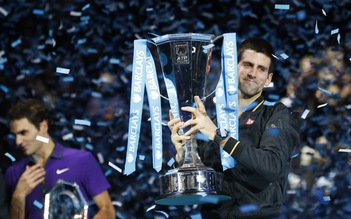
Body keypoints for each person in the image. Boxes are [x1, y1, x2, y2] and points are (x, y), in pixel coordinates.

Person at [168, 37, 300, 218]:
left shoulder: (277, 115)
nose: (253, 73)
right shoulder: (212, 121)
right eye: (247, 65)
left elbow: (271, 166)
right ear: (233, 68)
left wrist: (218, 135)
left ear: (268, 79)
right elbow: (198, 188)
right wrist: (182, 156)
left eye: (261, 69)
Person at [5, 98, 115, 219]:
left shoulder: (81, 160)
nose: (18, 141)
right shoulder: (14, 173)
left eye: (23, 133)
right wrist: (18, 196)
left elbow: (107, 211)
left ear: (43, 126)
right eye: (15, 135)